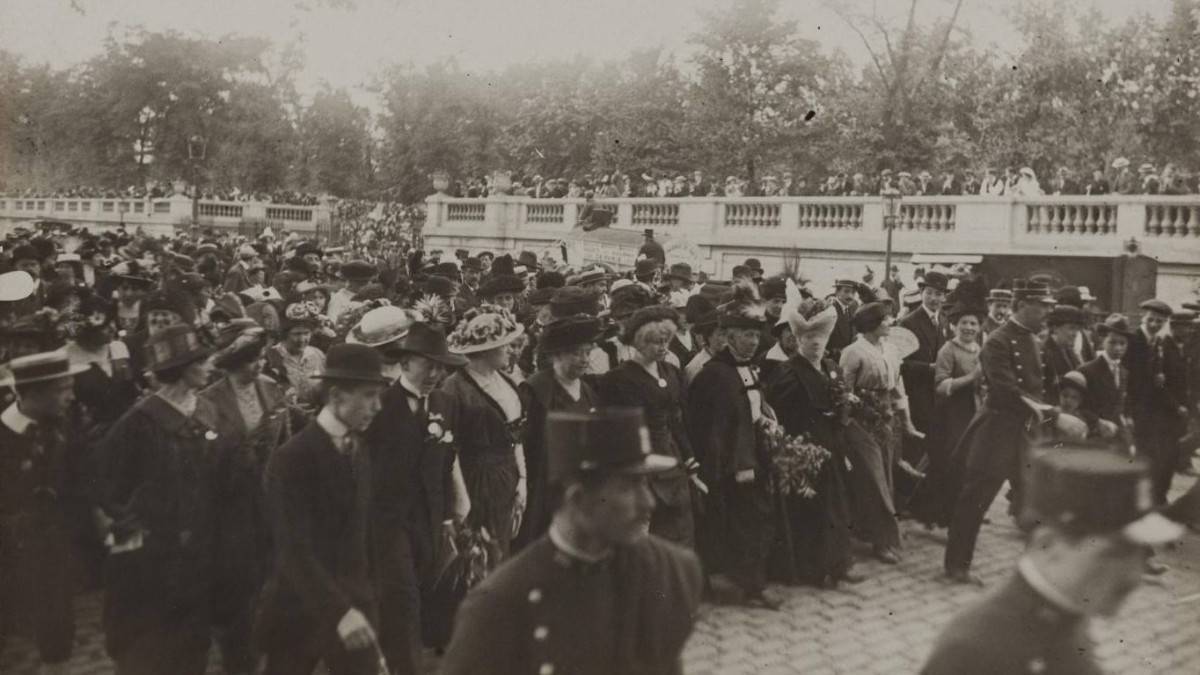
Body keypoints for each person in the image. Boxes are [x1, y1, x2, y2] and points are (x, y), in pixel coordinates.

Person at [440, 407, 703, 675]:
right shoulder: (500, 604)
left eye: (645, 484)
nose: (648, 502)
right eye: (628, 487)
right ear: (577, 499)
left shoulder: (672, 572)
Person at [922, 447, 1184, 675]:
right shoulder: (975, 649)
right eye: (1114, 553)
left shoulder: (1067, 612)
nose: (1132, 576)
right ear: (1047, 545)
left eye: (1139, 552)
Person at [256, 343, 388, 675]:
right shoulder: (291, 459)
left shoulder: (359, 447)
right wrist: (340, 612)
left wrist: (368, 603)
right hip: (297, 612)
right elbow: (293, 550)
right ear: (337, 395)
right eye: (369, 395)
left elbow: (362, 534)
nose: (377, 407)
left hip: (356, 607)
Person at [100, 324, 219, 674]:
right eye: (201, 361)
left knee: (193, 645)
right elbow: (107, 488)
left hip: (199, 551)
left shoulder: (207, 409)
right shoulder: (138, 422)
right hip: (152, 559)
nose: (210, 366)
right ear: (181, 369)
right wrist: (135, 533)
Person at [943, 281, 1070, 585]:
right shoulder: (997, 341)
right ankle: (956, 565)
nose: (1047, 313)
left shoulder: (1032, 340)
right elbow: (1006, 390)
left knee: (1035, 499)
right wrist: (1055, 415)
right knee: (975, 501)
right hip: (996, 431)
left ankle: (1039, 571)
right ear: (1023, 304)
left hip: (1024, 433)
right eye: (1043, 306)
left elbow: (1037, 387)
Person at [364, 321, 469, 674]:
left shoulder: (445, 402)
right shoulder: (378, 403)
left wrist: (449, 516)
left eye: (441, 367)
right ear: (406, 362)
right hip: (387, 524)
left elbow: (446, 461)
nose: (435, 374)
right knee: (403, 602)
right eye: (428, 364)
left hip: (430, 522)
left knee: (421, 602)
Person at [198, 319, 290, 675]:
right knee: (239, 585)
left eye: (262, 358)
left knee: (273, 580)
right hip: (231, 507)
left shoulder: (272, 389)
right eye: (251, 360)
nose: (259, 365)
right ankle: (240, 658)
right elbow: (206, 462)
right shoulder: (210, 400)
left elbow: (286, 442)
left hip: (270, 504)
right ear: (233, 363)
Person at [689, 287, 781, 608]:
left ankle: (749, 580)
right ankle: (749, 585)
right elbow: (706, 426)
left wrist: (768, 420)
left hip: (754, 455)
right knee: (745, 521)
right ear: (727, 337)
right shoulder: (713, 375)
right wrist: (734, 464)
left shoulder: (748, 368)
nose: (753, 342)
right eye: (746, 336)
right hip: (730, 463)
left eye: (756, 337)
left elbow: (753, 406)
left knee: (757, 519)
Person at [0, 351, 88, 675]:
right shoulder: (4, 437)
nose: (71, 396)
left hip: (52, 550)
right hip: (8, 554)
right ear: (34, 394)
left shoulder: (65, 425)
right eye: (63, 389)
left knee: (57, 627)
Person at [763, 302, 861, 589]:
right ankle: (814, 568)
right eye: (809, 340)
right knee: (811, 510)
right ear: (799, 341)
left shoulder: (831, 367)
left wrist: (842, 411)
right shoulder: (788, 372)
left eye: (820, 340)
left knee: (837, 505)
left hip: (832, 442)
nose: (815, 345)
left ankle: (839, 563)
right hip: (805, 446)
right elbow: (781, 411)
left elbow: (841, 398)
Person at [598, 305, 699, 549]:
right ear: (639, 342)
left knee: (679, 527)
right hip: (641, 463)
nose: (663, 347)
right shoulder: (619, 378)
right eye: (656, 342)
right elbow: (617, 429)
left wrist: (689, 459)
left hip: (671, 457)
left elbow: (676, 419)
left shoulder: (671, 371)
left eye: (666, 340)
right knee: (646, 528)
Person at [441, 305, 529, 562]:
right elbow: (450, 447)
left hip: (507, 473)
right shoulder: (454, 388)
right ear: (485, 351)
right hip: (476, 479)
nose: (510, 351)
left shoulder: (506, 380)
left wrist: (522, 478)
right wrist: (461, 500)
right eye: (504, 345)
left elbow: (517, 435)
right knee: (481, 551)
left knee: (503, 545)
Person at [840, 302, 923, 564]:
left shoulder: (890, 349)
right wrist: (844, 423)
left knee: (885, 476)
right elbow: (843, 392)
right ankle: (882, 541)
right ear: (872, 325)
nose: (890, 323)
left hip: (886, 420)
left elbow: (899, 388)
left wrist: (907, 423)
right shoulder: (853, 352)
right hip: (860, 421)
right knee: (874, 478)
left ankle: (873, 532)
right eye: (885, 320)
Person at [516, 315, 603, 550]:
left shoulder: (588, 392)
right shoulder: (536, 390)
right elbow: (525, 447)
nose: (584, 360)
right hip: (545, 490)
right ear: (556, 354)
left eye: (587, 353)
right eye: (576, 353)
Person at [908, 302, 985, 529]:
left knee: (965, 466)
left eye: (973, 323)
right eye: (964, 323)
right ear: (954, 326)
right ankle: (944, 516)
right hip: (949, 416)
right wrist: (972, 378)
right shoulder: (948, 350)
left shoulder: (979, 351)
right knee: (949, 465)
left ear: (979, 328)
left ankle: (937, 512)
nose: (969, 327)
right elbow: (940, 386)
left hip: (972, 413)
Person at [1125, 299, 1188, 504]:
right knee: (1142, 457)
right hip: (1137, 407)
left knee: (1154, 458)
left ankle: (1151, 499)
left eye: (1159, 321)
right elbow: (1131, 376)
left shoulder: (1157, 343)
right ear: (1144, 318)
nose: (1154, 324)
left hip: (1151, 410)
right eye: (1151, 320)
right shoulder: (1134, 340)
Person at [899, 271, 950, 472]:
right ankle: (906, 498)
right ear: (922, 293)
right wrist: (929, 368)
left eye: (938, 294)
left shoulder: (945, 322)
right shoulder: (909, 322)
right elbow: (900, 364)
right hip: (917, 397)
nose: (934, 298)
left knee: (935, 450)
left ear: (944, 296)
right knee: (915, 449)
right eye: (929, 293)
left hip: (938, 398)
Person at [1041, 304, 1086, 404]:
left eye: (1077, 329)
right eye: (1071, 328)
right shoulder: (1044, 353)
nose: (1075, 334)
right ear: (1055, 328)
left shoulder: (1069, 352)